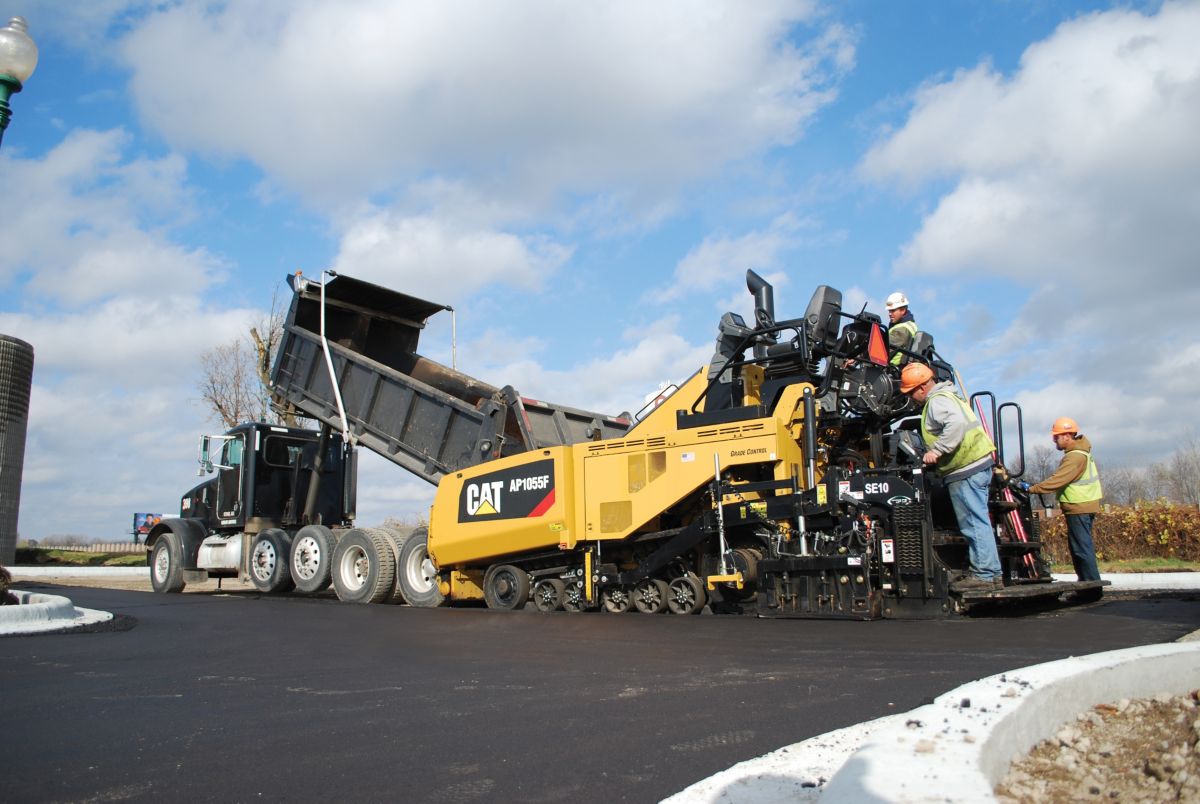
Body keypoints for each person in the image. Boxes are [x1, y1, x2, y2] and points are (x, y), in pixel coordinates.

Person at [899, 362, 1002, 591]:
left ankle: (984, 575)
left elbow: (955, 425)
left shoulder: (937, 402)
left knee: (973, 523)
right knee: (980, 521)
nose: (912, 398)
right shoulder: (949, 396)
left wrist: (937, 450)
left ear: (923, 387)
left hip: (965, 467)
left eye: (911, 392)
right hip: (977, 464)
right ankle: (992, 573)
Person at [1023, 417, 1102, 588]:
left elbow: (1058, 480)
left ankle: (1090, 588)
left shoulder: (1074, 457)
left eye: (1056, 437)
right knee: (1082, 547)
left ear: (1067, 435)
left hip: (1079, 506)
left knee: (1081, 549)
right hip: (1083, 505)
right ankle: (1088, 585)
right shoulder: (1081, 453)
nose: (1054, 440)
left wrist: (1032, 489)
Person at [885, 292, 918, 366]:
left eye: (893, 310)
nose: (890, 314)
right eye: (889, 311)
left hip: (891, 369)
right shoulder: (906, 325)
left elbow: (883, 346)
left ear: (903, 310)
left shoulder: (903, 329)